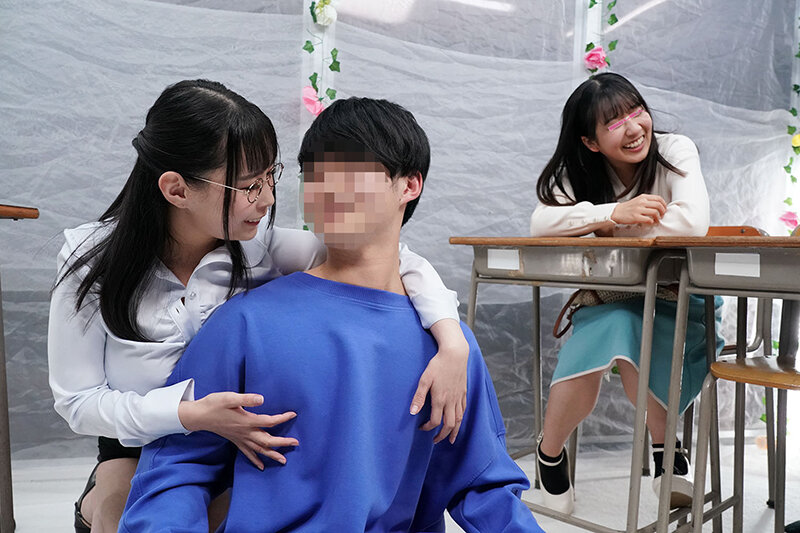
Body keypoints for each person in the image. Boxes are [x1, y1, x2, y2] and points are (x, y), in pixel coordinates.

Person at [48, 80, 470, 533]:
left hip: (246, 445)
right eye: (249, 186)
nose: (267, 200)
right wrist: (190, 413)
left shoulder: (261, 247)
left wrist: (453, 344)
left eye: (272, 176)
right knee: (122, 518)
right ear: (176, 190)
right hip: (139, 443)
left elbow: (389, 258)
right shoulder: (92, 261)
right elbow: (78, 402)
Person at [119, 96, 544, 532]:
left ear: (409, 185)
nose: (326, 190)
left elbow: (483, 486)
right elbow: (174, 472)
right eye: (314, 175)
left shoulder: (447, 350)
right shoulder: (244, 324)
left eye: (351, 173)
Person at [529, 72, 723, 514]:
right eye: (615, 122)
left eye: (637, 111)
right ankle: (661, 451)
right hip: (612, 296)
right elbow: (541, 223)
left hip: (677, 297)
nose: (634, 127)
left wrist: (605, 227)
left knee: (635, 324)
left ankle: (552, 453)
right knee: (622, 322)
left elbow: (693, 223)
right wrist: (615, 211)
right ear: (591, 141)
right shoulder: (580, 171)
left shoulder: (674, 150)